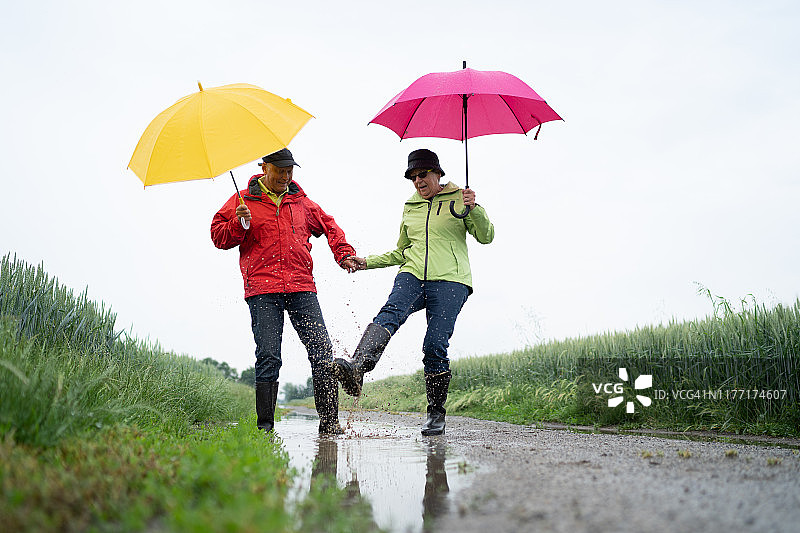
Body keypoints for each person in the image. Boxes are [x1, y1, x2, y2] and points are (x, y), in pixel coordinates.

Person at [335, 149, 494, 435]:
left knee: (434, 344)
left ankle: (436, 413)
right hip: (412, 274)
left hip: (451, 280)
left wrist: (475, 207)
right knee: (391, 311)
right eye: (412, 177)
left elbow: (486, 236)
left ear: (437, 174)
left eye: (422, 175)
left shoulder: (461, 199)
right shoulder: (410, 206)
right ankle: (358, 368)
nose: (418, 181)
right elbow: (402, 250)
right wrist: (368, 262)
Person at [211, 148, 358, 435]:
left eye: (290, 170)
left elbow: (329, 226)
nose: (286, 176)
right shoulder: (243, 201)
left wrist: (343, 254)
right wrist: (239, 223)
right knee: (269, 356)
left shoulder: (301, 202)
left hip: (302, 287)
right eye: (280, 170)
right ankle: (265, 429)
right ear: (264, 168)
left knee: (322, 351)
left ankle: (330, 424)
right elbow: (218, 237)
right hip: (262, 289)